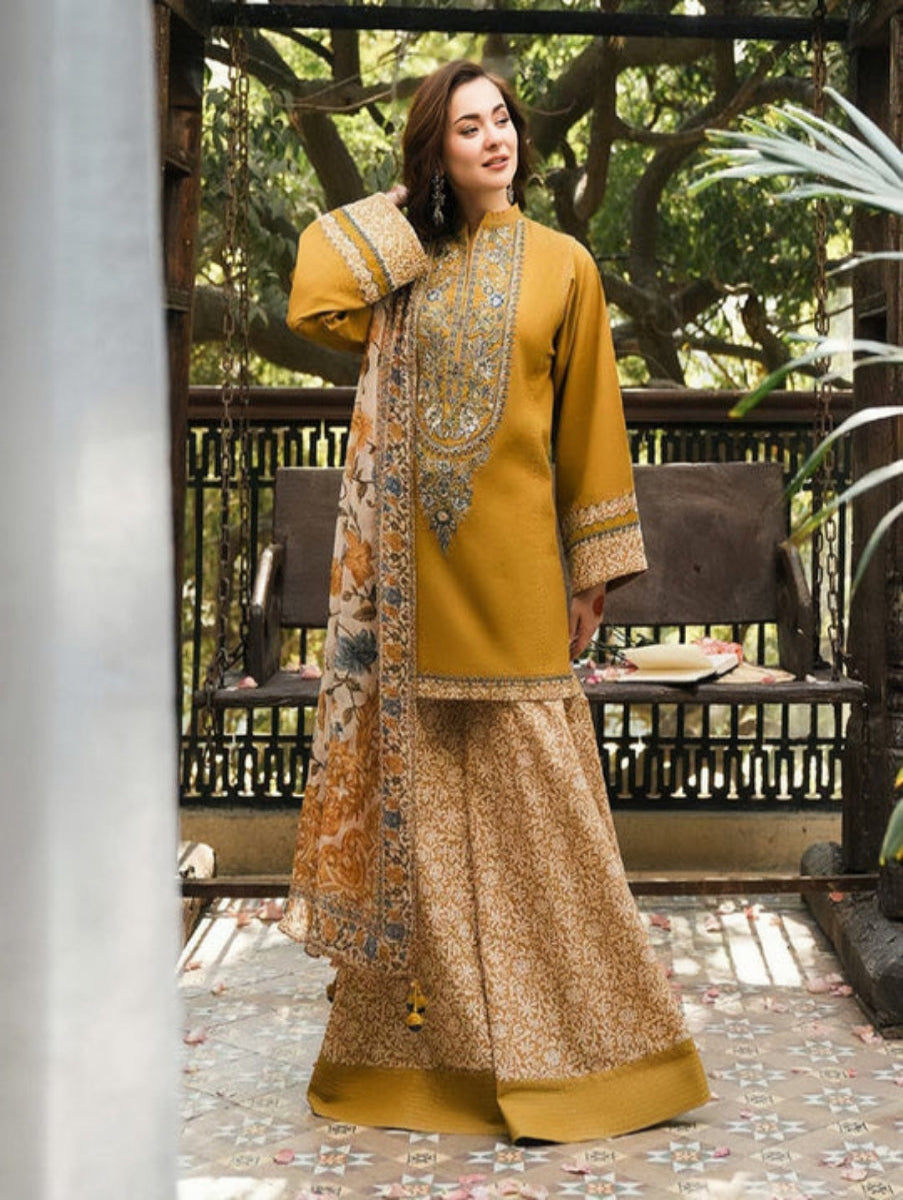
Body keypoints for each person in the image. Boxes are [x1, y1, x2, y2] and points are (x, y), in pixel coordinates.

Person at [279, 59, 709, 1142]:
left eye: (502, 119)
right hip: (405, 600)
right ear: (439, 151)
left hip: (516, 582)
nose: (494, 138)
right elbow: (311, 293)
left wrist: (591, 571)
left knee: (546, 820)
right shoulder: (402, 267)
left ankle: (602, 1056)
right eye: (466, 128)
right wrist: (407, 208)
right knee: (420, 831)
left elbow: (590, 429)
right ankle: (422, 1067)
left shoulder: (565, 266)